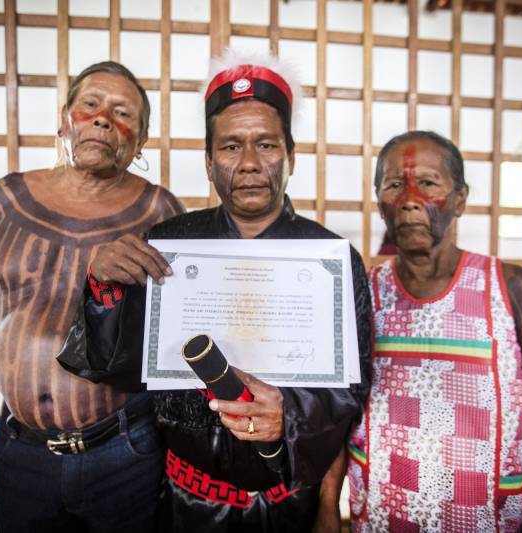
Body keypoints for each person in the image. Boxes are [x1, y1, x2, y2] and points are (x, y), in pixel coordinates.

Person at [62, 50, 372, 532]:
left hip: (291, 505)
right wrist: (104, 288)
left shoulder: (332, 258)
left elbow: (352, 389)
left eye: (266, 145)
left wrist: (289, 414)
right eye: (230, 147)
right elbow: (115, 367)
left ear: (291, 156)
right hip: (184, 503)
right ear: (209, 163)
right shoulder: (169, 244)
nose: (249, 163)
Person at [0, 61, 183, 532]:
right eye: (90, 105)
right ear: (64, 119)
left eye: (122, 113)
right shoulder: (3, 201)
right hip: (21, 449)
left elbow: (174, 337)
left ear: (140, 143)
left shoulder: (161, 214)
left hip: (123, 450)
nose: (102, 119)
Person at [341, 131, 522, 532]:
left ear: (460, 199)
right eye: (395, 185)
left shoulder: (512, 288)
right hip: (382, 517)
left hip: (485, 518)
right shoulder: (365, 292)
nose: (410, 198)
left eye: (428, 183)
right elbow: (336, 412)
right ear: (380, 203)